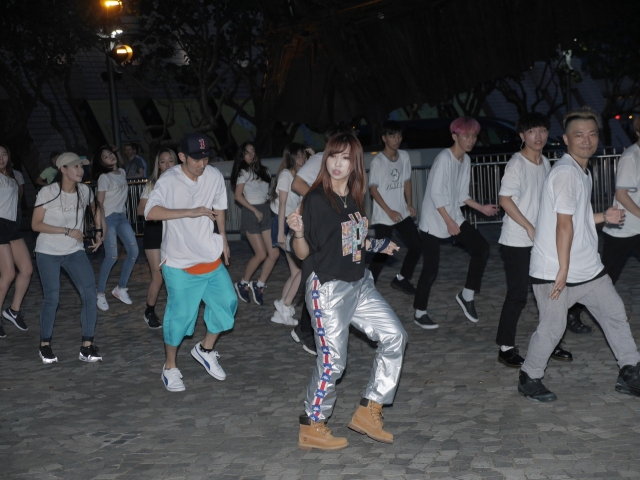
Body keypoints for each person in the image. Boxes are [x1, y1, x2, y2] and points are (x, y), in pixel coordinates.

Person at [288, 133, 408, 451]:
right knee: (333, 362)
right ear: (325, 159)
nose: (338, 164)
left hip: (359, 283)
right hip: (327, 289)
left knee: (395, 336)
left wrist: (379, 244)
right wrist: (297, 232)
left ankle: (369, 411)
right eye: (333, 157)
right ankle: (312, 424)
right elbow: (302, 253)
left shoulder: (354, 198)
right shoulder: (315, 199)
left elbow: (354, 240)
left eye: (345, 158)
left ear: (354, 164)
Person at [518, 107, 640, 402]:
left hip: (588, 269)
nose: (587, 140)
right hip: (555, 271)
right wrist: (562, 271)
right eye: (579, 135)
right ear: (566, 139)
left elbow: (576, 218)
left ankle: (630, 372)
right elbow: (563, 226)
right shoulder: (566, 174)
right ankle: (529, 376)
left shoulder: (580, 171)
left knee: (614, 314)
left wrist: (603, 217)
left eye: (592, 134)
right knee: (552, 327)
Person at [145, 133, 237, 392]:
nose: (202, 163)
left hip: (209, 256)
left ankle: (205, 349)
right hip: (179, 262)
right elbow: (150, 211)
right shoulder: (169, 180)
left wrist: (223, 239)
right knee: (180, 318)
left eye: (206, 157)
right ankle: (170, 367)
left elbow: (219, 208)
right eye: (196, 158)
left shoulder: (215, 176)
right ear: (182, 156)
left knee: (227, 305)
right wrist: (189, 211)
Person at [495, 113, 572, 367]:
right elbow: (504, 199)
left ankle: (552, 341)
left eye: (541, 131)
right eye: (531, 132)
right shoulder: (517, 164)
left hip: (542, 241)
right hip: (516, 240)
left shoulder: (547, 163)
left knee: (552, 292)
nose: (538, 136)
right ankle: (505, 347)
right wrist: (529, 226)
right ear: (522, 136)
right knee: (517, 293)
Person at [413, 117, 499, 329]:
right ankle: (419, 312)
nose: (471, 140)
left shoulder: (466, 160)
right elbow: (434, 194)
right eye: (466, 136)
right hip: (434, 221)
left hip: (453, 215)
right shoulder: (444, 158)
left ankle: (466, 295)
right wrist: (449, 222)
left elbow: (461, 195)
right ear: (455, 136)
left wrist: (481, 208)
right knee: (431, 270)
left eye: (474, 136)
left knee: (482, 248)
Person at [31, 152, 106, 363]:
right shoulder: (48, 192)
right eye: (75, 166)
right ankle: (45, 345)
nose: (80, 170)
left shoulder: (84, 190)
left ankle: (87, 346)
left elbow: (95, 209)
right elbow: (35, 225)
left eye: (82, 166)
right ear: (63, 170)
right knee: (52, 298)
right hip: (48, 251)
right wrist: (66, 230)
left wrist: (99, 232)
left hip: (74, 251)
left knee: (90, 295)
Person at [289, 124, 355, 355]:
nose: (338, 161)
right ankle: (308, 332)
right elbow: (297, 183)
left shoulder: (350, 175)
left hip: (333, 238)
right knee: (315, 278)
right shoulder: (319, 161)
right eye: (335, 151)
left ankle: (309, 329)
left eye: (345, 154)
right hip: (313, 232)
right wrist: (321, 203)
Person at [368, 121, 422, 294]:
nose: (396, 139)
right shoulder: (378, 161)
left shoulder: (404, 156)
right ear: (384, 138)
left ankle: (402, 279)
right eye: (392, 135)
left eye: (398, 135)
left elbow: (407, 181)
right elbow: (373, 189)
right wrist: (388, 211)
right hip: (384, 215)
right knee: (383, 252)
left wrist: (409, 204)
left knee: (417, 245)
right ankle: (367, 286)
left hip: (401, 212)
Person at [231, 141, 279, 306]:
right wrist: (255, 211)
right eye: (246, 152)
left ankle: (258, 285)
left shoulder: (265, 171)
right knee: (261, 254)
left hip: (265, 211)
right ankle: (243, 283)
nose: (251, 155)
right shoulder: (243, 172)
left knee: (274, 254)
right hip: (251, 213)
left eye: (253, 151)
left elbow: (268, 193)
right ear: (242, 156)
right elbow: (238, 196)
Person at [92, 145, 139, 311]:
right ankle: (99, 293)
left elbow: (120, 163)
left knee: (133, 251)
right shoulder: (104, 178)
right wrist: (100, 228)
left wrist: (117, 152)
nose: (109, 156)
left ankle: (121, 288)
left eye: (110, 154)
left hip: (121, 216)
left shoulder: (122, 173)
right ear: (101, 162)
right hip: (109, 218)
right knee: (112, 256)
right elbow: (99, 204)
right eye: (105, 156)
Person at [137, 148, 178, 329]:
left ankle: (176, 311)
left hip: (176, 231)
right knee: (158, 276)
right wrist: (160, 210)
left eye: (171, 160)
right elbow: (140, 210)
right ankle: (150, 311)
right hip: (155, 231)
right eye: (163, 161)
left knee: (176, 274)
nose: (167, 164)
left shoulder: (183, 182)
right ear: (158, 165)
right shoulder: (152, 184)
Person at [268, 142, 308, 326]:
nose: (301, 159)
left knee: (294, 272)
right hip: (282, 223)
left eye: (303, 156)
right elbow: (282, 203)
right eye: (298, 156)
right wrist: (281, 234)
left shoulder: (299, 176)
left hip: (290, 224)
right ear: (291, 158)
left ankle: (281, 311)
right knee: (300, 271)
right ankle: (285, 305)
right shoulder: (285, 175)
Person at [0, 144, 33, 338]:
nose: (1, 158)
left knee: (27, 269)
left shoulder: (13, 176)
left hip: (12, 226)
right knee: (8, 274)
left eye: (4, 154)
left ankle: (13, 310)